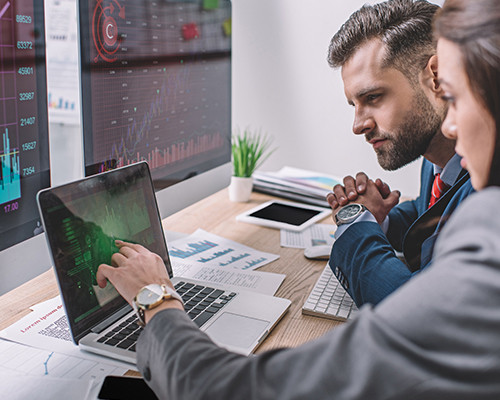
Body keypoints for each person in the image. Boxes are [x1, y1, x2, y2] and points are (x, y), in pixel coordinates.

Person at [96, 0, 500, 398]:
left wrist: (156, 297)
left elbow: (223, 389)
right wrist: (386, 220)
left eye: (452, 94)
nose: (448, 121)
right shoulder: (453, 167)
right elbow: (434, 216)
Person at [325, 0, 474, 307]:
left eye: (374, 97)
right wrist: (379, 215)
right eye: (355, 104)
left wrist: (356, 226)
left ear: (436, 77)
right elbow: (429, 215)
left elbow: (409, 306)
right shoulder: (436, 159)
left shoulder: (487, 183)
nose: (358, 125)